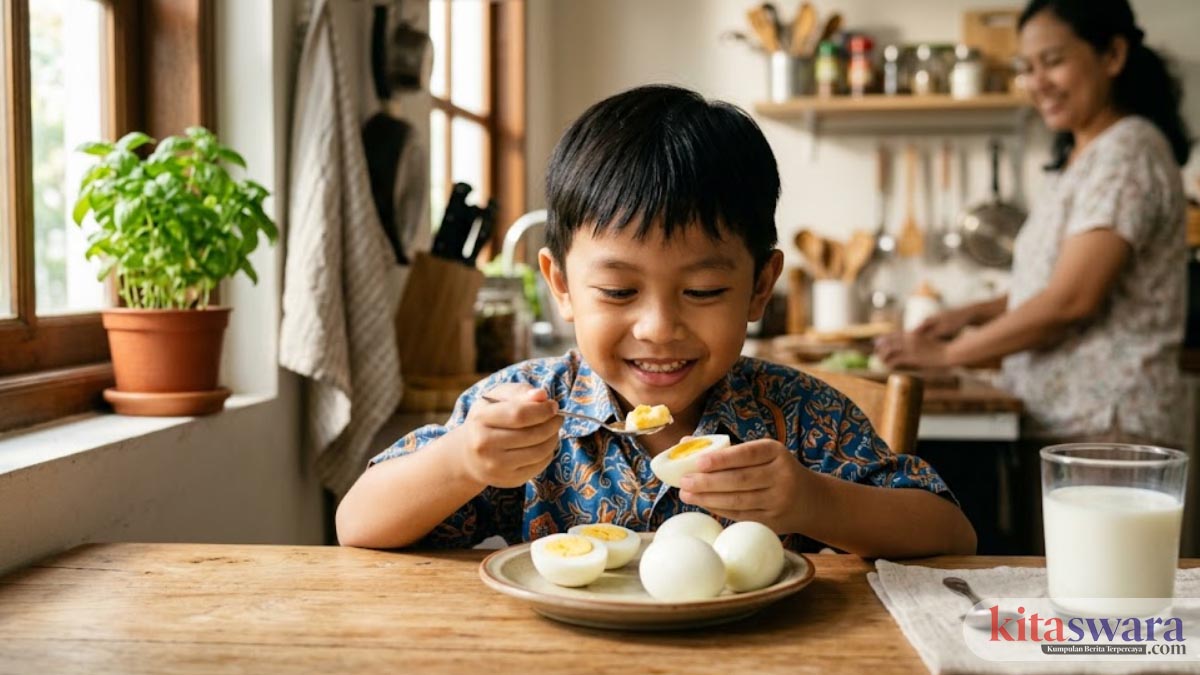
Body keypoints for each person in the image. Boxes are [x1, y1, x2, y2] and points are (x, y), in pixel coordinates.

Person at [337, 85, 976, 558]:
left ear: (759, 288)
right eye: (618, 291)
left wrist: (811, 500)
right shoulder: (530, 415)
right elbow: (356, 525)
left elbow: (950, 533)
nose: (659, 327)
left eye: (702, 290)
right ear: (560, 285)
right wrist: (461, 462)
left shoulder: (800, 419)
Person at [876, 0, 1191, 449]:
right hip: (1071, 420)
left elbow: (1072, 300)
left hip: (1108, 424)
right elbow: (1048, 283)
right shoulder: (1085, 157)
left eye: (1054, 61)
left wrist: (947, 355)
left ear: (1113, 56)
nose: (1036, 83)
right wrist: (968, 315)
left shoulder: (1126, 153)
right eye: (1027, 67)